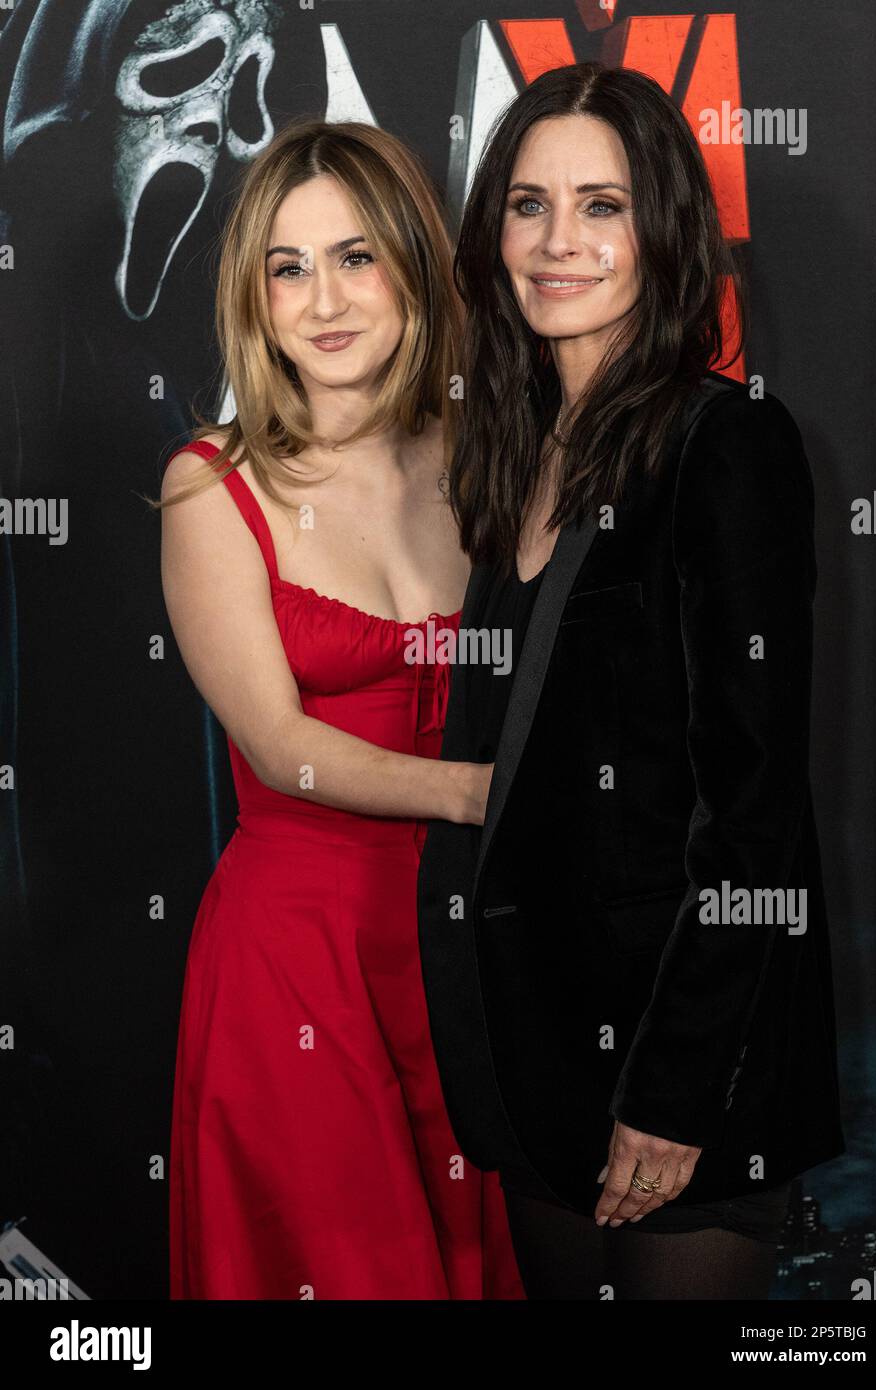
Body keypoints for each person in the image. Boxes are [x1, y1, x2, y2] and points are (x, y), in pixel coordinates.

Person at [417, 63, 845, 1300]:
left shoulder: (727, 444)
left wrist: (673, 1092)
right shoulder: (512, 459)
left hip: (682, 1081)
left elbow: (755, 816)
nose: (557, 243)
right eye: (528, 204)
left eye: (599, 206)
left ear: (660, 229)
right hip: (538, 1059)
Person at [153, 117, 524, 1300]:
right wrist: (496, 795)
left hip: (466, 951)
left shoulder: (483, 456)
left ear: (412, 265)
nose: (325, 300)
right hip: (299, 960)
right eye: (289, 266)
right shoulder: (212, 482)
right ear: (254, 297)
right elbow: (280, 743)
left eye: (356, 257)